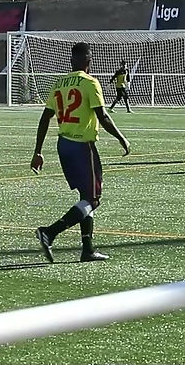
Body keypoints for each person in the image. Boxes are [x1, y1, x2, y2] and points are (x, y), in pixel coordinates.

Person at [32, 42, 130, 263]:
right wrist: (121, 138)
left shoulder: (59, 84)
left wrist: (38, 151)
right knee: (93, 199)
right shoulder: (90, 82)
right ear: (89, 61)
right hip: (82, 146)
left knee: (85, 197)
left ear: (71, 60)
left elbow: (45, 117)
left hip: (63, 145)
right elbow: (102, 116)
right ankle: (50, 232)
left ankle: (87, 249)